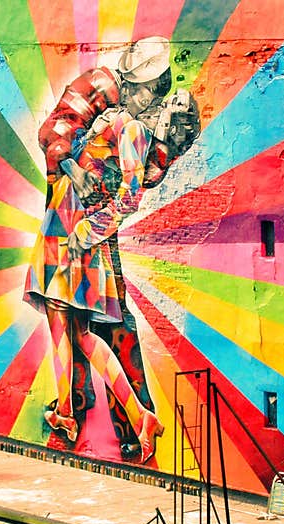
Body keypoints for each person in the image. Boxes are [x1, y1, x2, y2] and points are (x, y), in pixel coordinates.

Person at [37, 37, 200, 459]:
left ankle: (92, 413)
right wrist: (73, 168)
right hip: (70, 217)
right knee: (81, 325)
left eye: (143, 88)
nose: (133, 92)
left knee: (81, 321)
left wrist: (89, 227)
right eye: (130, 84)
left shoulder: (137, 130)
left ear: (156, 89)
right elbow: (55, 133)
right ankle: (110, 412)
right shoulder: (112, 100)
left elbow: (131, 191)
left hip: (77, 225)